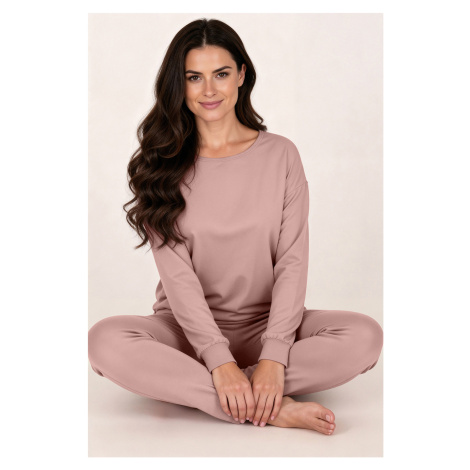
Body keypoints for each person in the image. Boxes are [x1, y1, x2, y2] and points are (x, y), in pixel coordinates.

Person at [88, 18, 383, 436]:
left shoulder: (281, 155)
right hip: (185, 332)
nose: (209, 90)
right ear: (179, 84)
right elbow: (178, 279)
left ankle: (230, 390)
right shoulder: (159, 167)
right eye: (194, 77)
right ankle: (267, 407)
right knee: (103, 341)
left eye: (221, 74)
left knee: (364, 336)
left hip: (270, 325)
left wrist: (274, 356)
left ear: (241, 75)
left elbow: (292, 261)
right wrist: (218, 360)